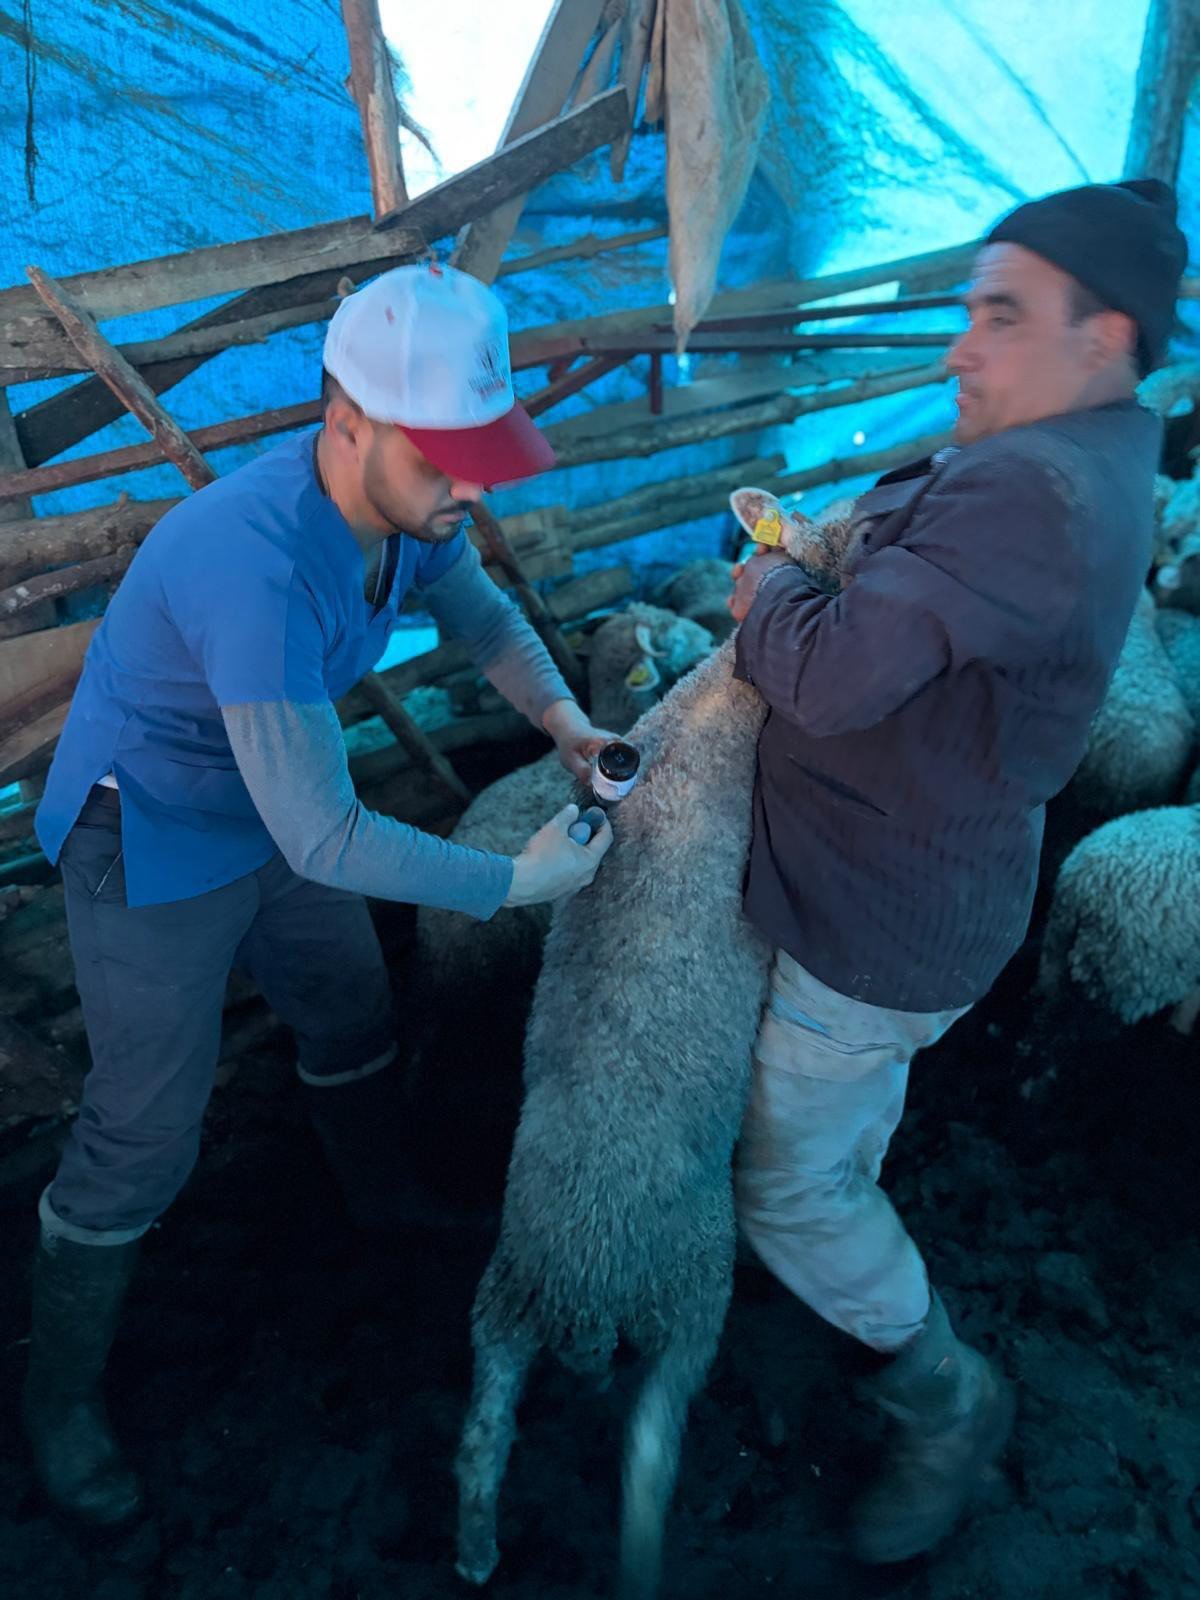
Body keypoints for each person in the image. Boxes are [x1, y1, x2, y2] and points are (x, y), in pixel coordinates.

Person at [22, 262, 614, 1527]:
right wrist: (513, 882)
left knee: (349, 1003)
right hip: (157, 832)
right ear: (346, 421)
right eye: (445, 455)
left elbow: (486, 616)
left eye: (481, 453)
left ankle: (377, 1193)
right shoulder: (253, 559)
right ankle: (58, 1396)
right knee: (144, 1131)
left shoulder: (409, 522)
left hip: (272, 806)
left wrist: (564, 720)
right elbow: (326, 830)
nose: (470, 487)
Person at [727, 179, 1187, 1564]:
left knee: (787, 1184)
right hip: (931, 885)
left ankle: (944, 1397)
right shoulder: (1086, 458)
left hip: (871, 918)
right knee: (840, 1120)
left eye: (998, 315)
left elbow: (835, 672)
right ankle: (848, 1189)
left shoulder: (1029, 493)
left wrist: (767, 599)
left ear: (1101, 335)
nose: (957, 348)